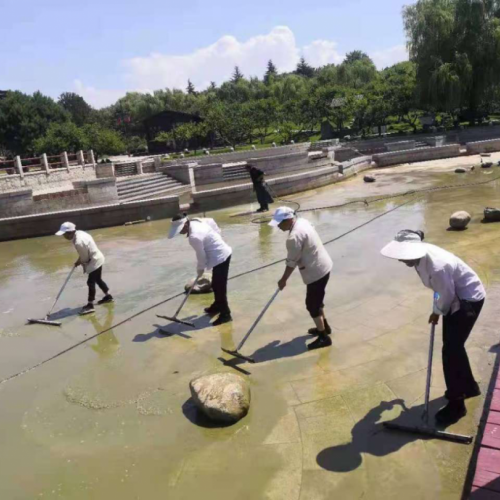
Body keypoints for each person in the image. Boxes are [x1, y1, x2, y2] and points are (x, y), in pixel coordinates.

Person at [381, 230, 486, 425]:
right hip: (453, 297)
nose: (402, 261)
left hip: (468, 300)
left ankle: (457, 404)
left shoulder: (437, 266)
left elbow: (445, 294)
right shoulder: (420, 257)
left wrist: (437, 311)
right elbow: (439, 291)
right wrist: (437, 309)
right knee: (454, 347)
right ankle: (469, 387)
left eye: (405, 257)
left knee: (450, 351)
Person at [270, 207, 333, 350]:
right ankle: (325, 327)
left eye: (280, 223)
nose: (278, 227)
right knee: (317, 301)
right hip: (324, 265)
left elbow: (291, 262)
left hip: (316, 272)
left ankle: (324, 337)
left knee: (311, 305)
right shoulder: (303, 221)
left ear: (288, 220)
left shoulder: (293, 238)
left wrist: (283, 280)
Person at [168, 214, 233, 325]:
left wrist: (200, 269)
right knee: (216, 284)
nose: (180, 233)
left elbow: (201, 255)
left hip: (221, 257)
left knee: (219, 286)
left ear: (185, 225)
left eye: (180, 230)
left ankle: (225, 314)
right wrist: (217, 236)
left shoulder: (194, 237)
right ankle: (217, 305)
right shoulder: (196, 220)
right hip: (220, 253)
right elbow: (211, 220)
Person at [55, 222, 113, 315]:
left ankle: (90, 305)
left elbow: (85, 258)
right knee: (98, 279)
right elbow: (84, 253)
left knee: (90, 282)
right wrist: (79, 260)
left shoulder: (78, 242)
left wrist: (81, 262)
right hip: (98, 257)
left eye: (64, 234)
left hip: (94, 260)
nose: (64, 237)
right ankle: (108, 296)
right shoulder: (80, 233)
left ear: (70, 232)